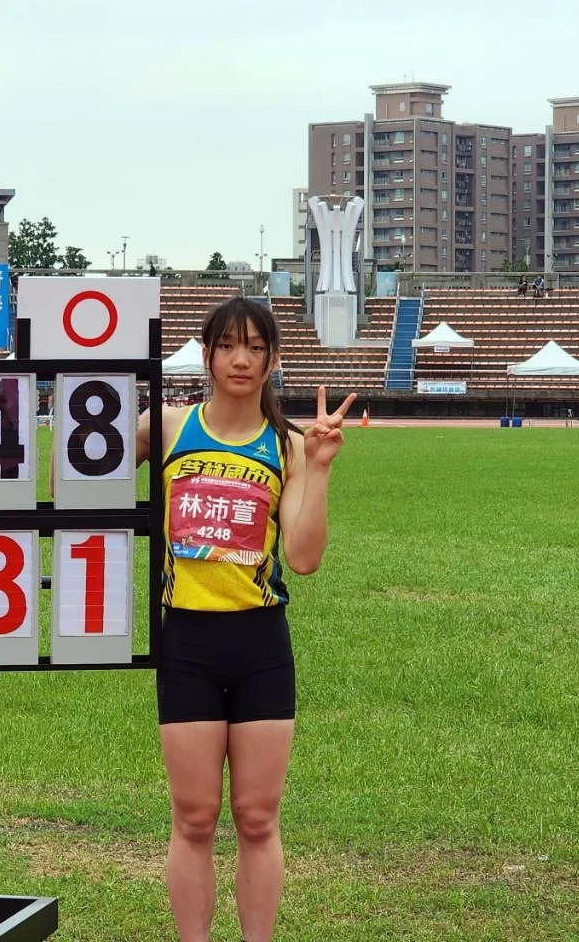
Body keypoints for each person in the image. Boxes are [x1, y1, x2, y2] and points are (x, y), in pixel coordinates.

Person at [141, 295, 353, 942]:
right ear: (205, 354)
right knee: (195, 817)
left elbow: (303, 557)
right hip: (187, 641)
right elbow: (84, 470)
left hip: (260, 644)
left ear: (272, 360)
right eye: (228, 345)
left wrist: (316, 469)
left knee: (257, 819)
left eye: (256, 348)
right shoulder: (167, 427)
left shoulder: (289, 443)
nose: (241, 359)